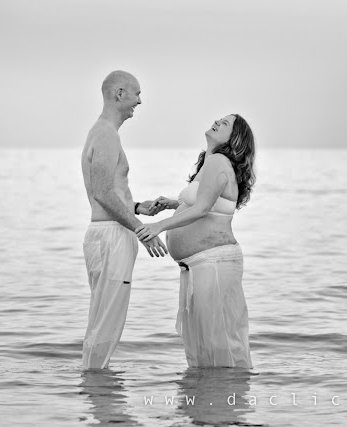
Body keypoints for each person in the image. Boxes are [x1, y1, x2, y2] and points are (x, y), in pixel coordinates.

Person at [135, 114, 256, 369]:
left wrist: (158, 225)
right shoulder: (210, 162)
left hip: (214, 263)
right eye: (220, 119)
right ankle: (205, 403)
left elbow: (201, 209)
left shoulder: (219, 162)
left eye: (225, 124)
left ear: (234, 138)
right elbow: (208, 203)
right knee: (203, 347)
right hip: (201, 265)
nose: (218, 122)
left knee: (219, 344)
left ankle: (224, 402)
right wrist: (173, 204)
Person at [80, 70, 168, 370]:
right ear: (119, 93)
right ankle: (102, 399)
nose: (140, 101)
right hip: (112, 237)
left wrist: (138, 207)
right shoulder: (105, 133)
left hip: (108, 232)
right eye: (137, 93)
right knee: (107, 322)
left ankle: (97, 394)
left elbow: (108, 192)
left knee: (102, 319)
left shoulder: (103, 132)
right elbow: (103, 193)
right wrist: (141, 230)